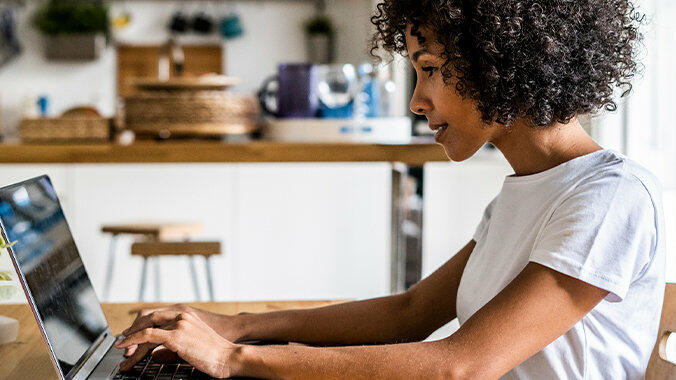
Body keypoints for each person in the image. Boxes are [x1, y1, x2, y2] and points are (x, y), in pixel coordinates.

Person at [115, 0, 665, 378]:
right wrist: (239, 327)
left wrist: (235, 357)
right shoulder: (525, 193)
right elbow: (410, 312)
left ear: (499, 63)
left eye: (429, 70)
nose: (416, 100)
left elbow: (461, 366)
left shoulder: (609, 198)